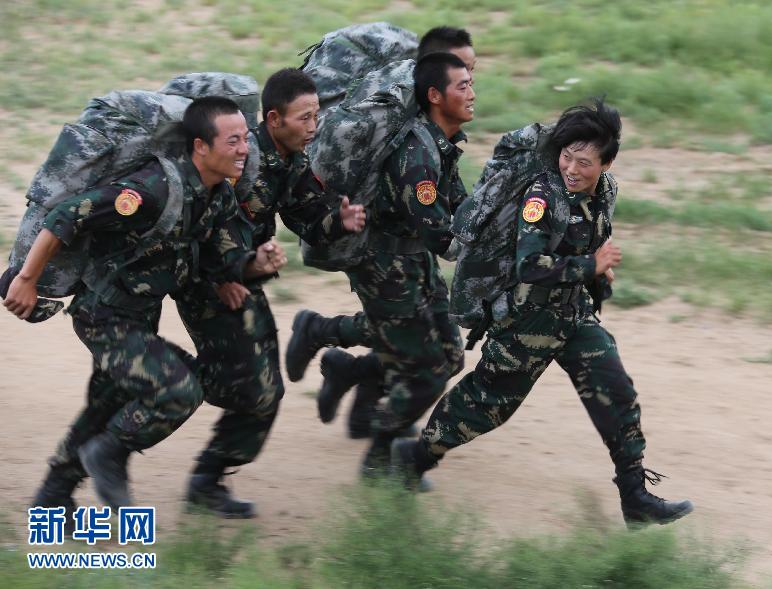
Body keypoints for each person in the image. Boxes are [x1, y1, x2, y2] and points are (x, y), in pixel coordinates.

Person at [392, 100, 694, 526]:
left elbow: (587, 243)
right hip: (526, 324)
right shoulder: (542, 195)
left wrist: (596, 276)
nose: (572, 168)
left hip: (573, 316)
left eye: (584, 162)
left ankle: (635, 497)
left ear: (606, 164)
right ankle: (416, 457)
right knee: (486, 405)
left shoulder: (605, 192)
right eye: (567, 156)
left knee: (616, 393)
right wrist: (591, 266)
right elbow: (529, 266)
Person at [4, 97, 287, 512]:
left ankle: (52, 497)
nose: (245, 149)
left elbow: (222, 255)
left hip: (139, 316)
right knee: (177, 390)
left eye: (246, 138)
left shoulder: (217, 195)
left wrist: (254, 264)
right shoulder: (152, 190)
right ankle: (110, 453)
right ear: (201, 146)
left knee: (109, 402)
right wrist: (27, 279)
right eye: (233, 141)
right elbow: (68, 215)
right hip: (104, 315)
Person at [174, 69, 365, 518]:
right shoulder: (243, 161)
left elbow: (305, 216)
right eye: (305, 117)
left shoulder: (290, 161)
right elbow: (203, 224)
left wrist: (338, 221)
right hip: (211, 284)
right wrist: (223, 275)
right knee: (253, 388)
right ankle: (159, 403)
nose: (314, 126)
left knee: (263, 390)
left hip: (243, 278)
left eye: (317, 115)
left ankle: (207, 477)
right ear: (275, 119)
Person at [286, 26, 476, 440]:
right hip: (382, 253)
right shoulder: (410, 141)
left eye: (471, 71)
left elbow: (453, 196)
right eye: (462, 73)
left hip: (410, 249)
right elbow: (441, 232)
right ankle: (385, 455)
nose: (472, 83)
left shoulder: (433, 128)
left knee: (445, 353)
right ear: (432, 79)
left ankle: (352, 378)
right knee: (425, 360)